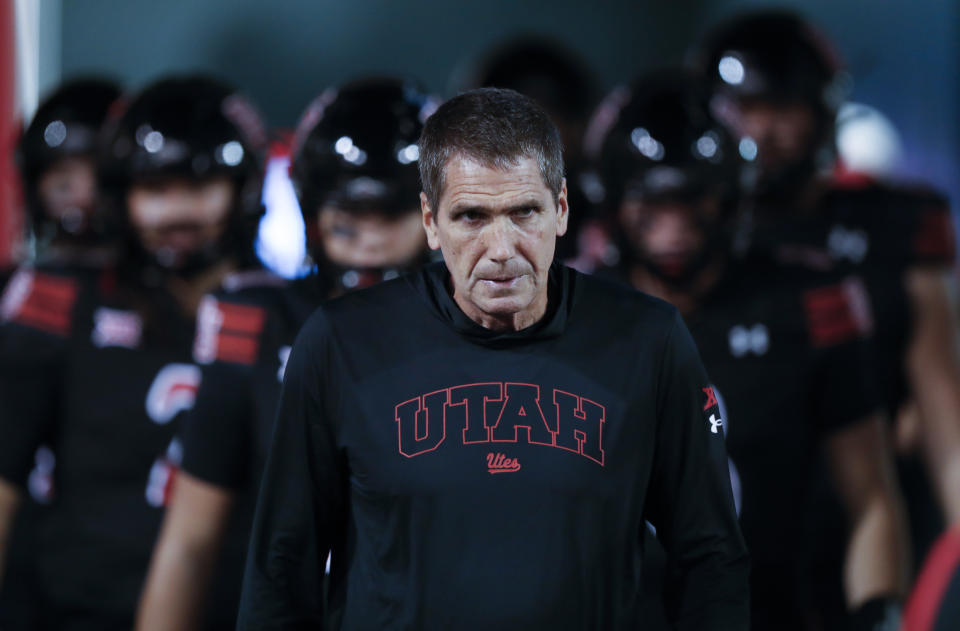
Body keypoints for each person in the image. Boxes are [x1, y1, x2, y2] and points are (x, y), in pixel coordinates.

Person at [235, 87, 748, 630]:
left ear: (562, 210)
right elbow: (280, 566)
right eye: (472, 217)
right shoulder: (341, 343)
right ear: (432, 223)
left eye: (524, 212)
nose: (501, 249)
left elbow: (710, 555)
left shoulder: (649, 339)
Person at [587, 70, 908, 630]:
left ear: (732, 195)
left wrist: (878, 615)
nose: (673, 224)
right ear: (613, 199)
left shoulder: (809, 302)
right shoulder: (566, 310)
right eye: (651, 198)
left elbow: (871, 500)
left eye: (692, 196)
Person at [135, 77, 437, 631]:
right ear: (310, 210)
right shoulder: (253, 317)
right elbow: (189, 544)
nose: (368, 241)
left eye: (389, 215)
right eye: (349, 216)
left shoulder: (486, 323)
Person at [693, 9, 960, 626]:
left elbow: (943, 401)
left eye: (781, 108)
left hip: (870, 498)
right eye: (743, 108)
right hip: (741, 505)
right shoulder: (690, 237)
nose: (761, 131)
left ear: (822, 113)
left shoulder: (894, 226)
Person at [0, 75, 265, 630]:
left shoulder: (285, 314)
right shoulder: (60, 298)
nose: (175, 212)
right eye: (155, 190)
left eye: (197, 187)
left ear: (241, 189)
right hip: (75, 612)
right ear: (122, 198)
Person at [0, 77, 122, 631]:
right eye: (62, 180)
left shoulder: (190, 305)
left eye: (95, 177)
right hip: (36, 574)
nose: (83, 199)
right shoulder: (17, 296)